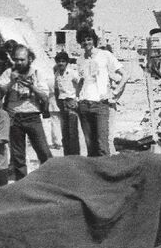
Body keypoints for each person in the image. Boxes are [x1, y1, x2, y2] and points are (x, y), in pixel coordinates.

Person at [0, 45, 52, 180]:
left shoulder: (37, 73)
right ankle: (22, 184)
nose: (19, 63)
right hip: (14, 117)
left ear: (30, 59)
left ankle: (50, 180)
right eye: (16, 59)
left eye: (22, 60)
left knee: (43, 151)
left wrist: (31, 86)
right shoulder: (8, 73)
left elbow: (45, 96)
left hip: (32, 116)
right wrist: (12, 82)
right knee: (18, 156)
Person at [74, 28, 127, 156]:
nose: (86, 42)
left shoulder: (105, 55)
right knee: (90, 147)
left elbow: (125, 75)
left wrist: (114, 93)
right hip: (84, 105)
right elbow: (81, 81)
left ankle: (107, 174)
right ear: (80, 43)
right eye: (83, 40)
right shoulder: (80, 60)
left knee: (102, 146)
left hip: (100, 105)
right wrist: (76, 97)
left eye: (89, 39)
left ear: (94, 40)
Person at [54, 51, 81, 155]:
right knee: (65, 132)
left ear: (67, 62)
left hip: (71, 102)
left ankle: (75, 156)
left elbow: (81, 83)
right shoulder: (56, 74)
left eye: (63, 61)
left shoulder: (72, 72)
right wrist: (58, 101)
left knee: (72, 132)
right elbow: (56, 89)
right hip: (62, 103)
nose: (61, 63)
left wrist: (77, 98)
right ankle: (67, 156)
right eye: (59, 61)